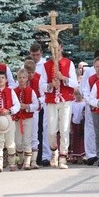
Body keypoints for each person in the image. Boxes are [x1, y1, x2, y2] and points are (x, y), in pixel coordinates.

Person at [39, 39, 78, 169]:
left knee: (64, 127)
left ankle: (63, 156)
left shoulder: (68, 63)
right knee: (51, 130)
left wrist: (63, 79)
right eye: (53, 48)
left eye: (58, 48)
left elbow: (75, 83)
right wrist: (50, 85)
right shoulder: (46, 65)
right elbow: (42, 85)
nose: (55, 50)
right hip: (51, 101)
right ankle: (54, 149)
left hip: (66, 100)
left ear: (61, 48)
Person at [0, 70, 21, 172]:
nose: (0, 80)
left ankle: (12, 162)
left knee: (10, 142)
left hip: (10, 120)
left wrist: (9, 110)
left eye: (2, 78)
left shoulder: (11, 91)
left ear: (6, 80)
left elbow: (17, 105)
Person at [13, 67, 39, 170]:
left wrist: (27, 107)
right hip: (17, 119)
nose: (22, 79)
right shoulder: (13, 91)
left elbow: (36, 105)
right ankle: (21, 158)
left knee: (27, 139)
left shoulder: (31, 91)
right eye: (20, 77)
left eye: (24, 77)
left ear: (27, 78)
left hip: (28, 118)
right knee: (18, 141)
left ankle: (28, 162)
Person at [29, 42, 51, 166]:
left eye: (37, 55)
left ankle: (45, 156)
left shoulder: (44, 65)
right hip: (30, 105)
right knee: (33, 131)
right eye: (33, 55)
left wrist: (40, 100)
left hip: (42, 102)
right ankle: (34, 158)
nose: (35, 57)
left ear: (41, 54)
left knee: (44, 130)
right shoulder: (26, 65)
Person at [23, 58, 43, 169]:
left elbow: (44, 94)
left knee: (34, 135)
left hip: (35, 111)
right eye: (28, 72)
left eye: (32, 72)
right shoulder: (21, 80)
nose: (30, 75)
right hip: (23, 112)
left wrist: (38, 101)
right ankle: (25, 159)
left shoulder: (39, 79)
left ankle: (34, 160)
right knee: (24, 136)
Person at [69, 88, 86, 164]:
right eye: (76, 94)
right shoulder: (72, 103)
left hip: (82, 123)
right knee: (74, 139)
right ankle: (75, 155)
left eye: (79, 94)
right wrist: (70, 125)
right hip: (75, 123)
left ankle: (82, 155)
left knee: (82, 139)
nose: (78, 96)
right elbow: (71, 114)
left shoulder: (84, 103)